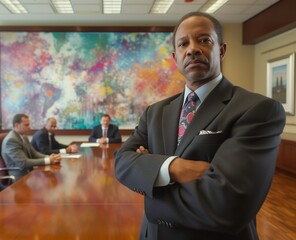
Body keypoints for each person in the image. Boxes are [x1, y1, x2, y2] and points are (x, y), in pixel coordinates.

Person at [114, 12, 286, 240]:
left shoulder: (257, 110)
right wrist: (172, 167)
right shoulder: (155, 112)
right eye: (184, 43)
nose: (192, 49)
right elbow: (122, 161)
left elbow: (226, 205)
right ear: (175, 58)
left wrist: (150, 183)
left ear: (221, 50)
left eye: (204, 40)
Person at [2, 113, 61, 181]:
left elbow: (34, 153)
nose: (29, 127)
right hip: (19, 177)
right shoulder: (11, 140)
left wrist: (49, 157)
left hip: (29, 172)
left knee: (52, 179)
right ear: (16, 125)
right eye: (26, 125)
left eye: (29, 124)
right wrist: (48, 160)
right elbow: (23, 163)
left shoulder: (24, 136)